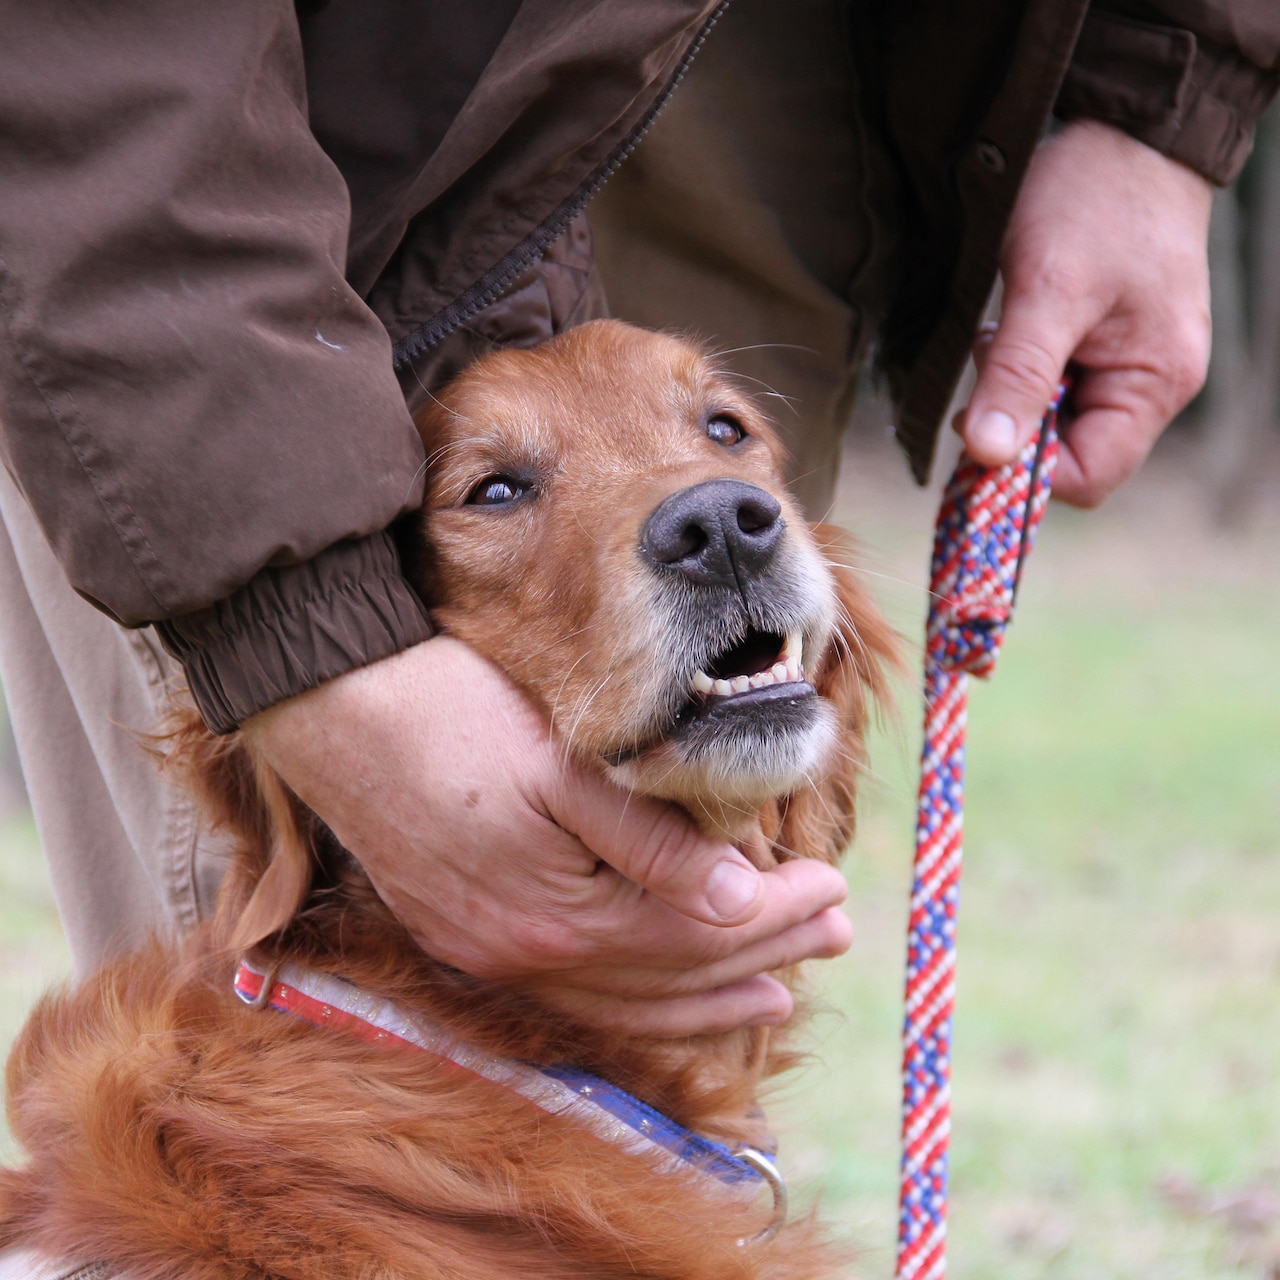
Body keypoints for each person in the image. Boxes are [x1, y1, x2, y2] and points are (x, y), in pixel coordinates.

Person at [0, 0, 1274, 1036]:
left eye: (721, 432)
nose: (708, 510)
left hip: (777, 78)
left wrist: (1150, 98)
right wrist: (293, 629)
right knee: (292, 1059)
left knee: (674, 1004)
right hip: (257, 184)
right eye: (494, 491)